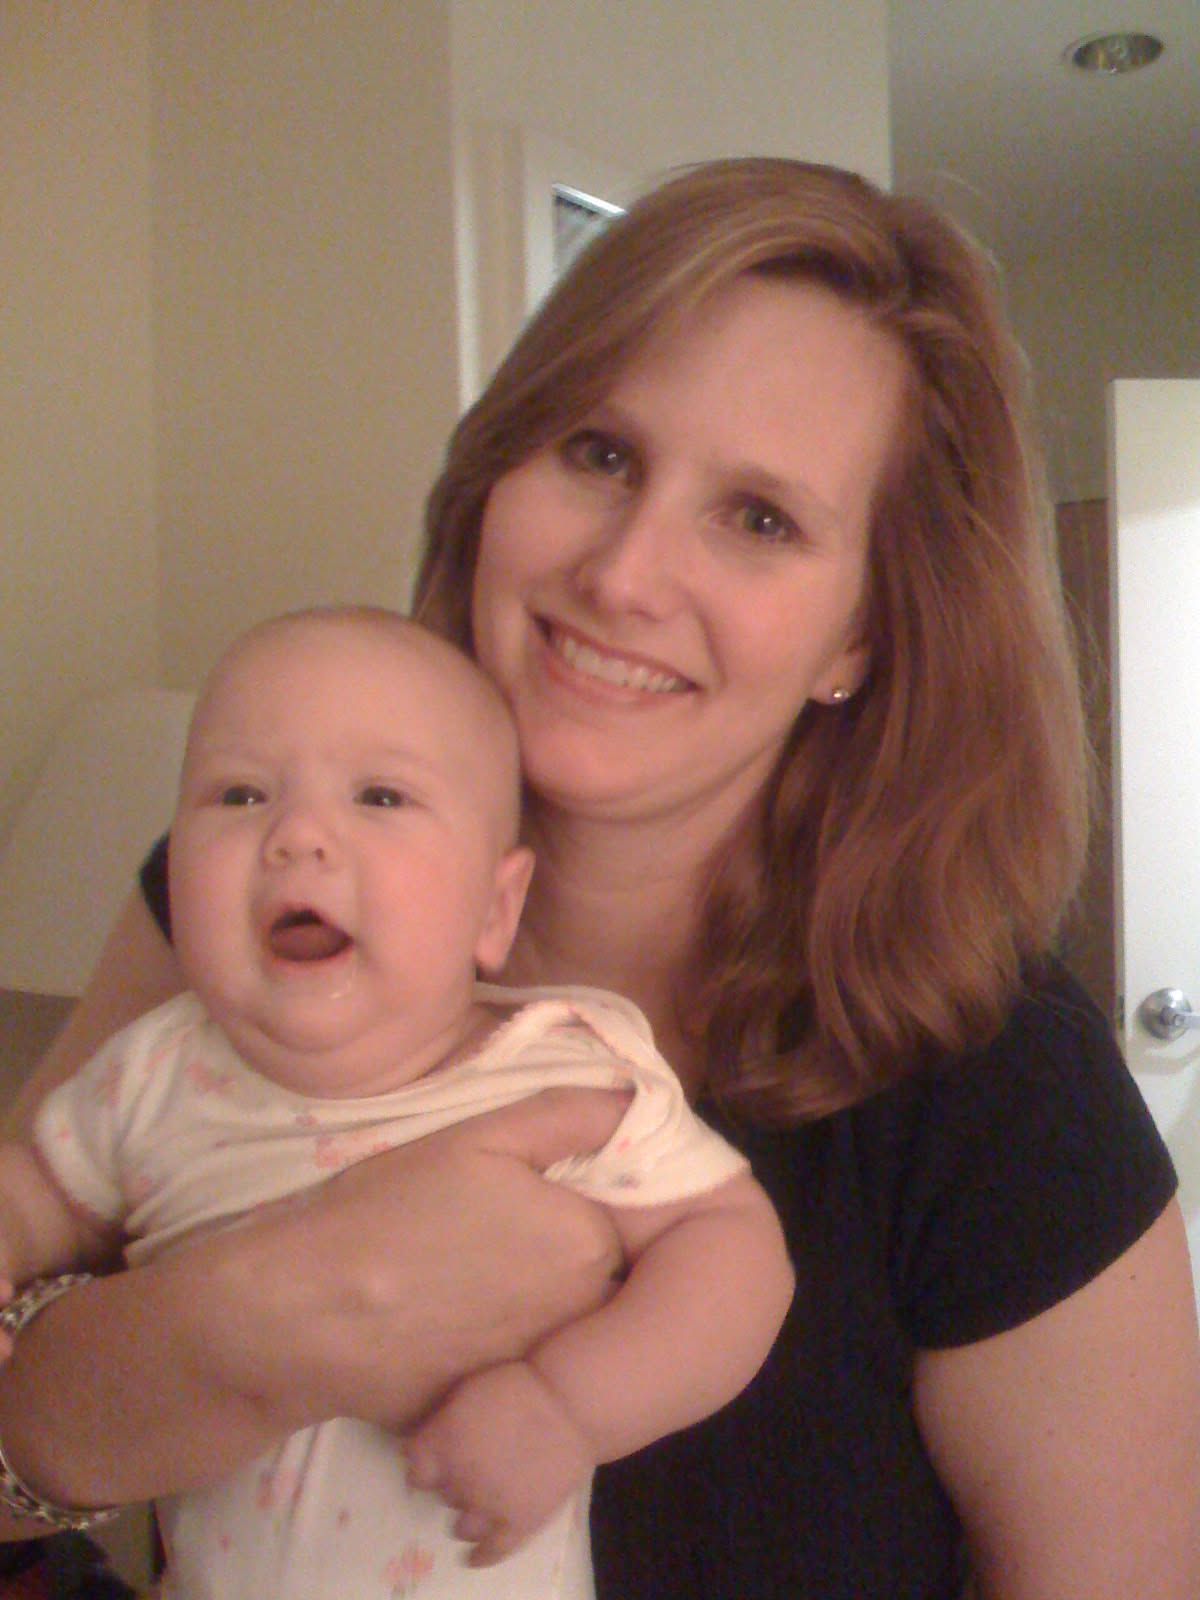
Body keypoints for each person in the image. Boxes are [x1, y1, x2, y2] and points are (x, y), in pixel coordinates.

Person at [1, 157, 1198, 1599]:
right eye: (600, 454)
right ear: (493, 479)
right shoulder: (255, 897)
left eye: (760, 519)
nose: (626, 574)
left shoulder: (998, 1089)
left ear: (858, 638)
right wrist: (243, 1329)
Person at [0, 606, 792, 1598]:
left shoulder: (555, 1068)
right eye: (240, 794)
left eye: (380, 796)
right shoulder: (154, 1073)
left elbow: (734, 1250)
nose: (296, 836)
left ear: (495, 908)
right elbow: (39, 1191)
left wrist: (571, 1405)